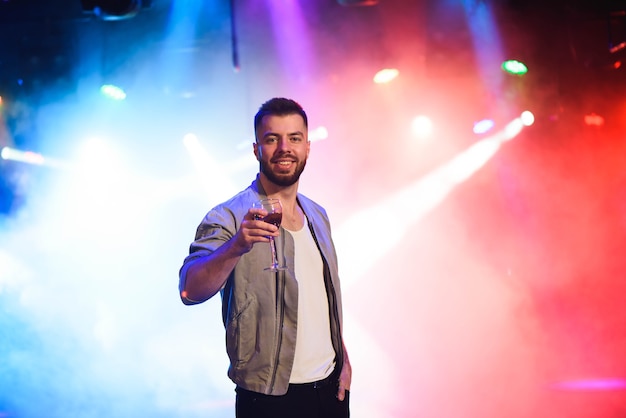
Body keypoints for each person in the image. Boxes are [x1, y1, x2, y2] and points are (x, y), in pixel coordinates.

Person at [178, 97, 351, 418]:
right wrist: (236, 247)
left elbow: (324, 299)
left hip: (331, 390)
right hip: (268, 397)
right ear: (257, 149)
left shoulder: (318, 215)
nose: (284, 148)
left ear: (308, 148)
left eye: (294, 138)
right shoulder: (227, 216)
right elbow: (189, 290)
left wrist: (344, 359)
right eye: (272, 139)